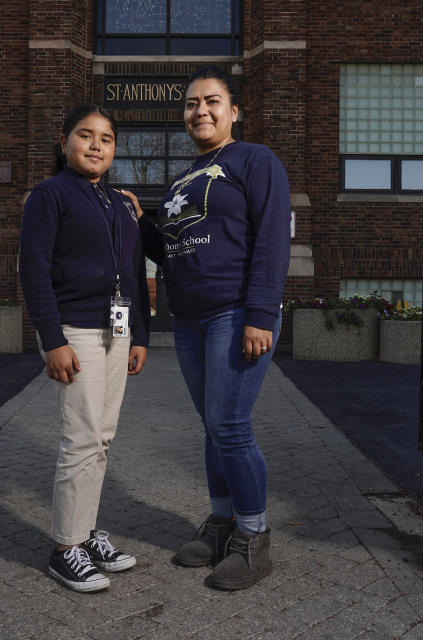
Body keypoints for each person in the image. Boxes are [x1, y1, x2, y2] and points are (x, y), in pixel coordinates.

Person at [133, 65, 291, 590]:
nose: (200, 110)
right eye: (191, 103)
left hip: (235, 311)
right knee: (213, 427)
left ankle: (253, 537)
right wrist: (141, 225)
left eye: (212, 101)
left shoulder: (255, 160)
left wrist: (261, 314)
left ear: (233, 111)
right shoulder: (182, 177)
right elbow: (173, 252)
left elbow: (271, 238)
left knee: (230, 425)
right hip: (188, 318)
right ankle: (222, 521)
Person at [19, 104, 150, 593]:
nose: (97, 145)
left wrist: (140, 334)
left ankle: (86, 532)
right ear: (64, 142)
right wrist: (52, 339)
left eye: (107, 139)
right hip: (73, 330)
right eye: (86, 135)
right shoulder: (49, 195)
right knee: (81, 436)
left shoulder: (119, 203)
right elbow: (33, 269)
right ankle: (64, 549)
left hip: (116, 334)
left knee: (104, 435)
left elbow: (135, 274)